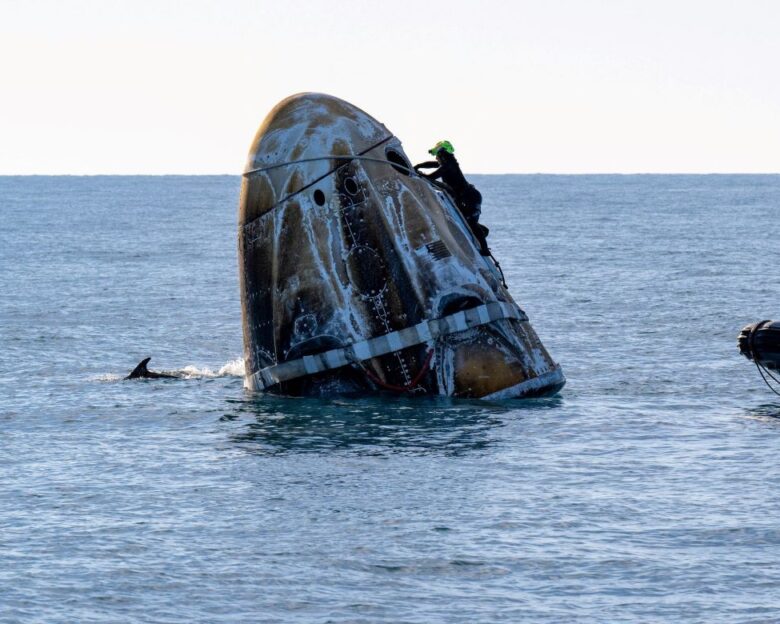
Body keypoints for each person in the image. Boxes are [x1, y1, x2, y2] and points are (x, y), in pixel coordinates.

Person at [414, 140, 490, 255]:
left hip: (471, 197)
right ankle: (483, 231)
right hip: (464, 198)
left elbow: (432, 177)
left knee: (471, 222)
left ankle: (485, 249)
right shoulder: (447, 163)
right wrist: (418, 166)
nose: (436, 159)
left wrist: (419, 173)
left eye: (437, 156)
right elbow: (433, 165)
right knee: (465, 220)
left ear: (442, 155)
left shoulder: (449, 166)